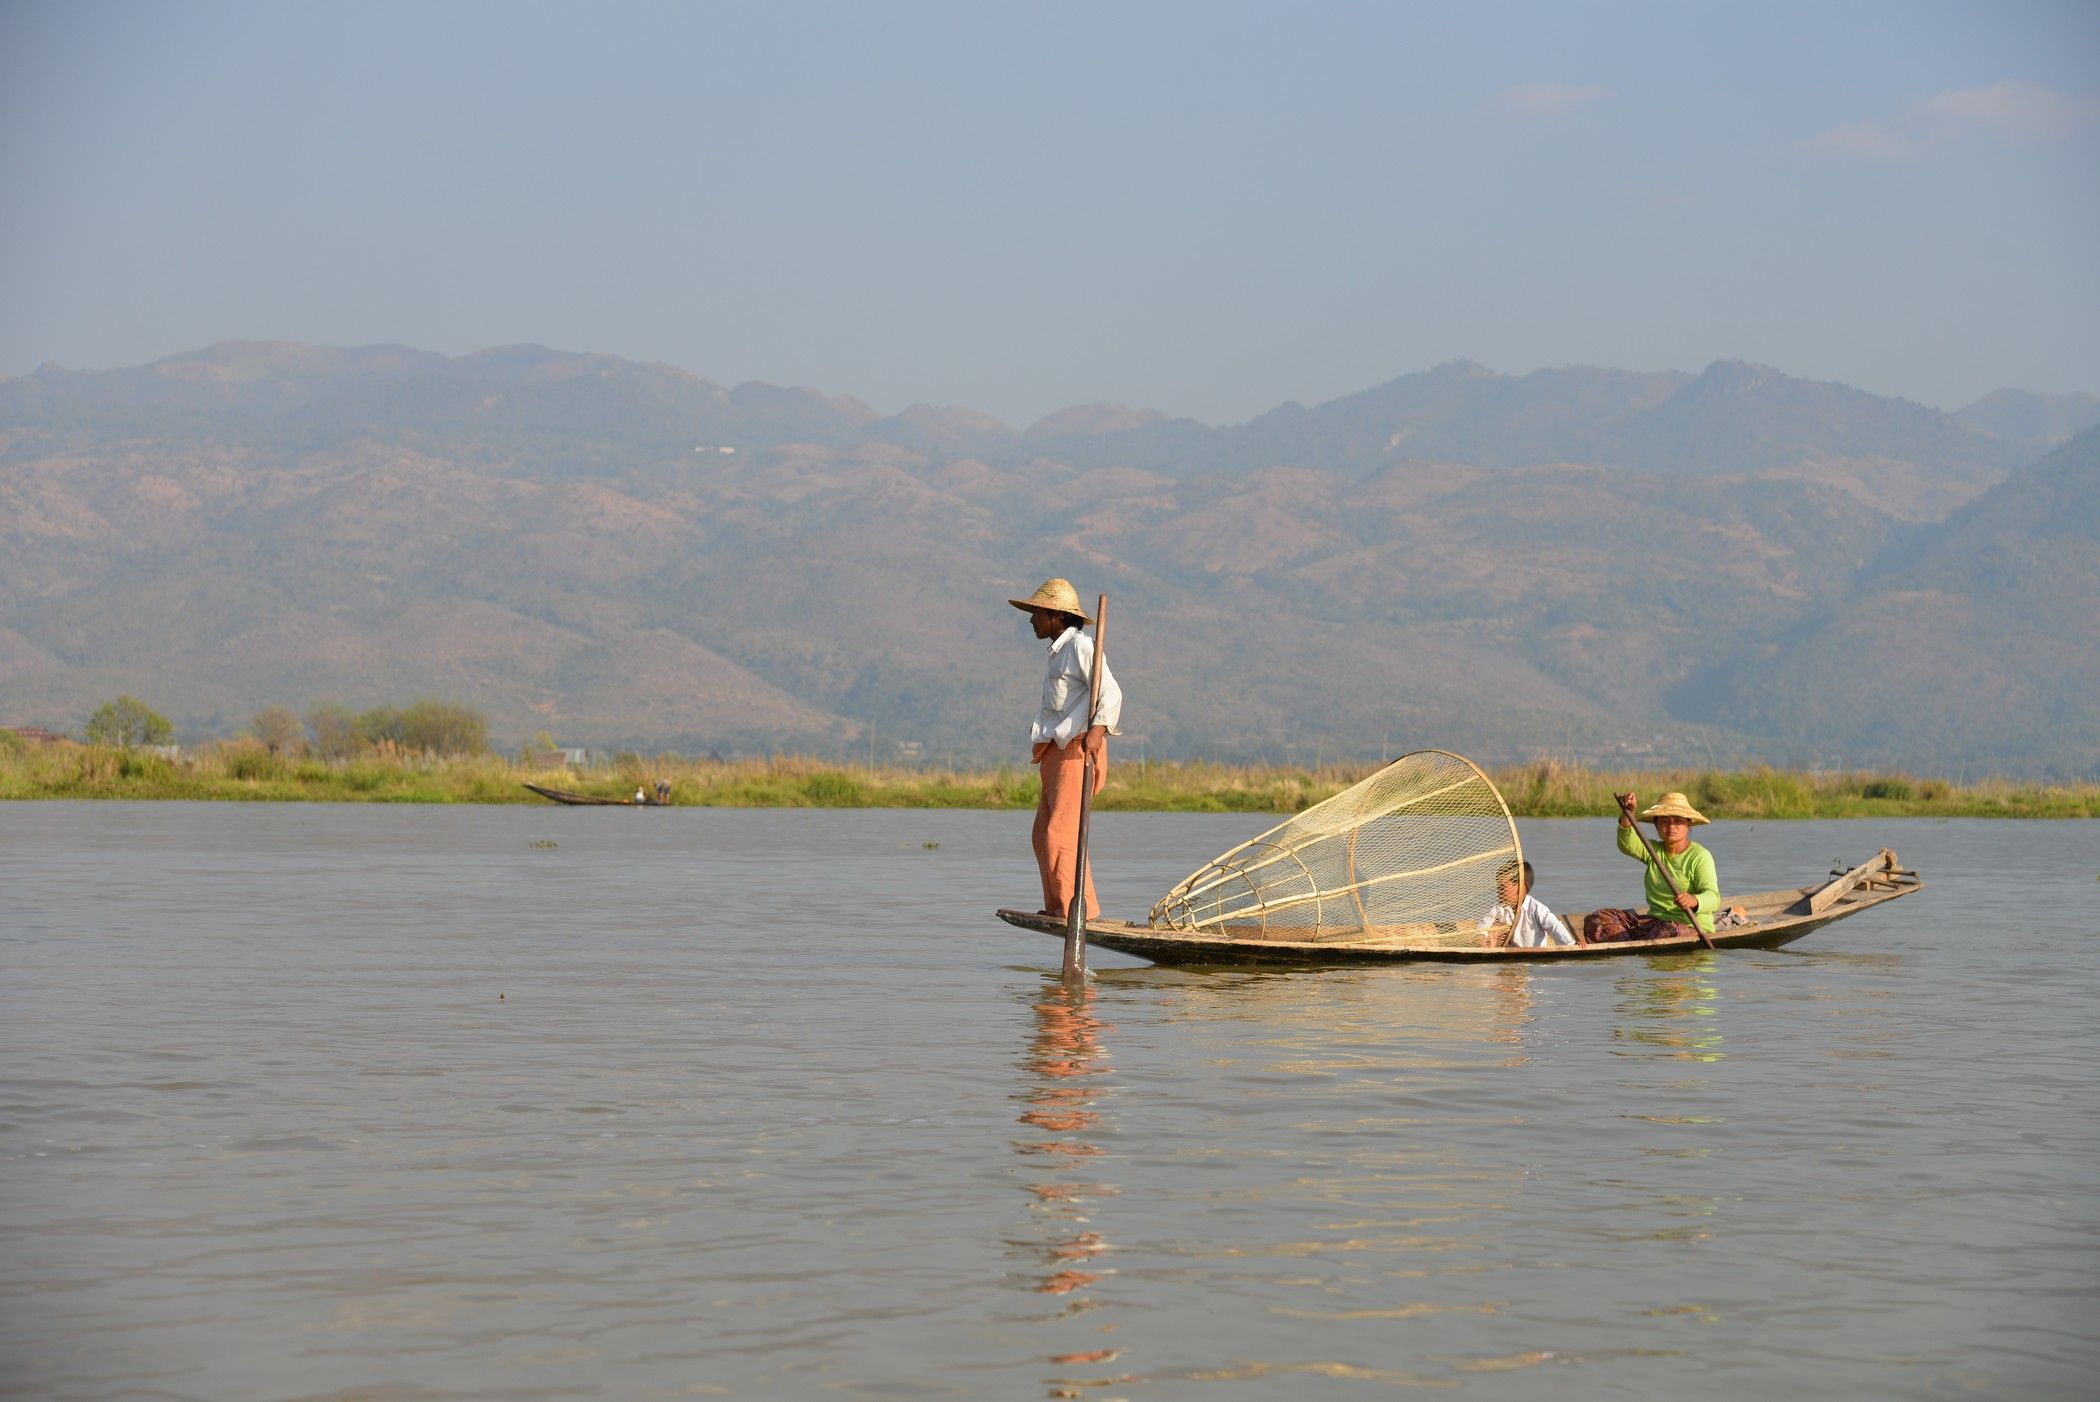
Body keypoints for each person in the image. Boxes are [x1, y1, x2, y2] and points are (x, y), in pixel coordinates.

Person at [1011, 578, 1123, 920]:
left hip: (1075, 751)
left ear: (1056, 616)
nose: (1032, 620)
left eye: (1037, 613)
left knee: (1059, 832)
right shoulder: (1058, 653)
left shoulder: (1080, 647)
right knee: (1042, 834)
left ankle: (1077, 911)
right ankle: (1060, 905)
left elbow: (1111, 693)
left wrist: (1097, 731)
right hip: (1056, 752)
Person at [1583, 791, 1719, 943]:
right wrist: (1628, 813)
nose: (1671, 826)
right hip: (1654, 923)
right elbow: (1627, 844)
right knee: (1597, 919)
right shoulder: (1653, 850)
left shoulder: (1700, 856)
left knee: (1666, 932)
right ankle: (1630, 944)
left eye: (1677, 821)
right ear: (1656, 825)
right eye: (1664, 821)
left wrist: (1693, 900)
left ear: (1688, 823)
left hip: (1688, 927)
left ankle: (1634, 943)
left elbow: (1713, 897)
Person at [1478, 859, 1575, 948]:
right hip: (1510, 960)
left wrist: (1571, 945)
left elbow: (1554, 926)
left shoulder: (1536, 908)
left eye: (1503, 886)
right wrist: (1483, 940)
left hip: (1536, 961)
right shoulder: (1499, 909)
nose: (1499, 890)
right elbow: (1481, 928)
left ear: (1521, 887)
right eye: (1498, 885)